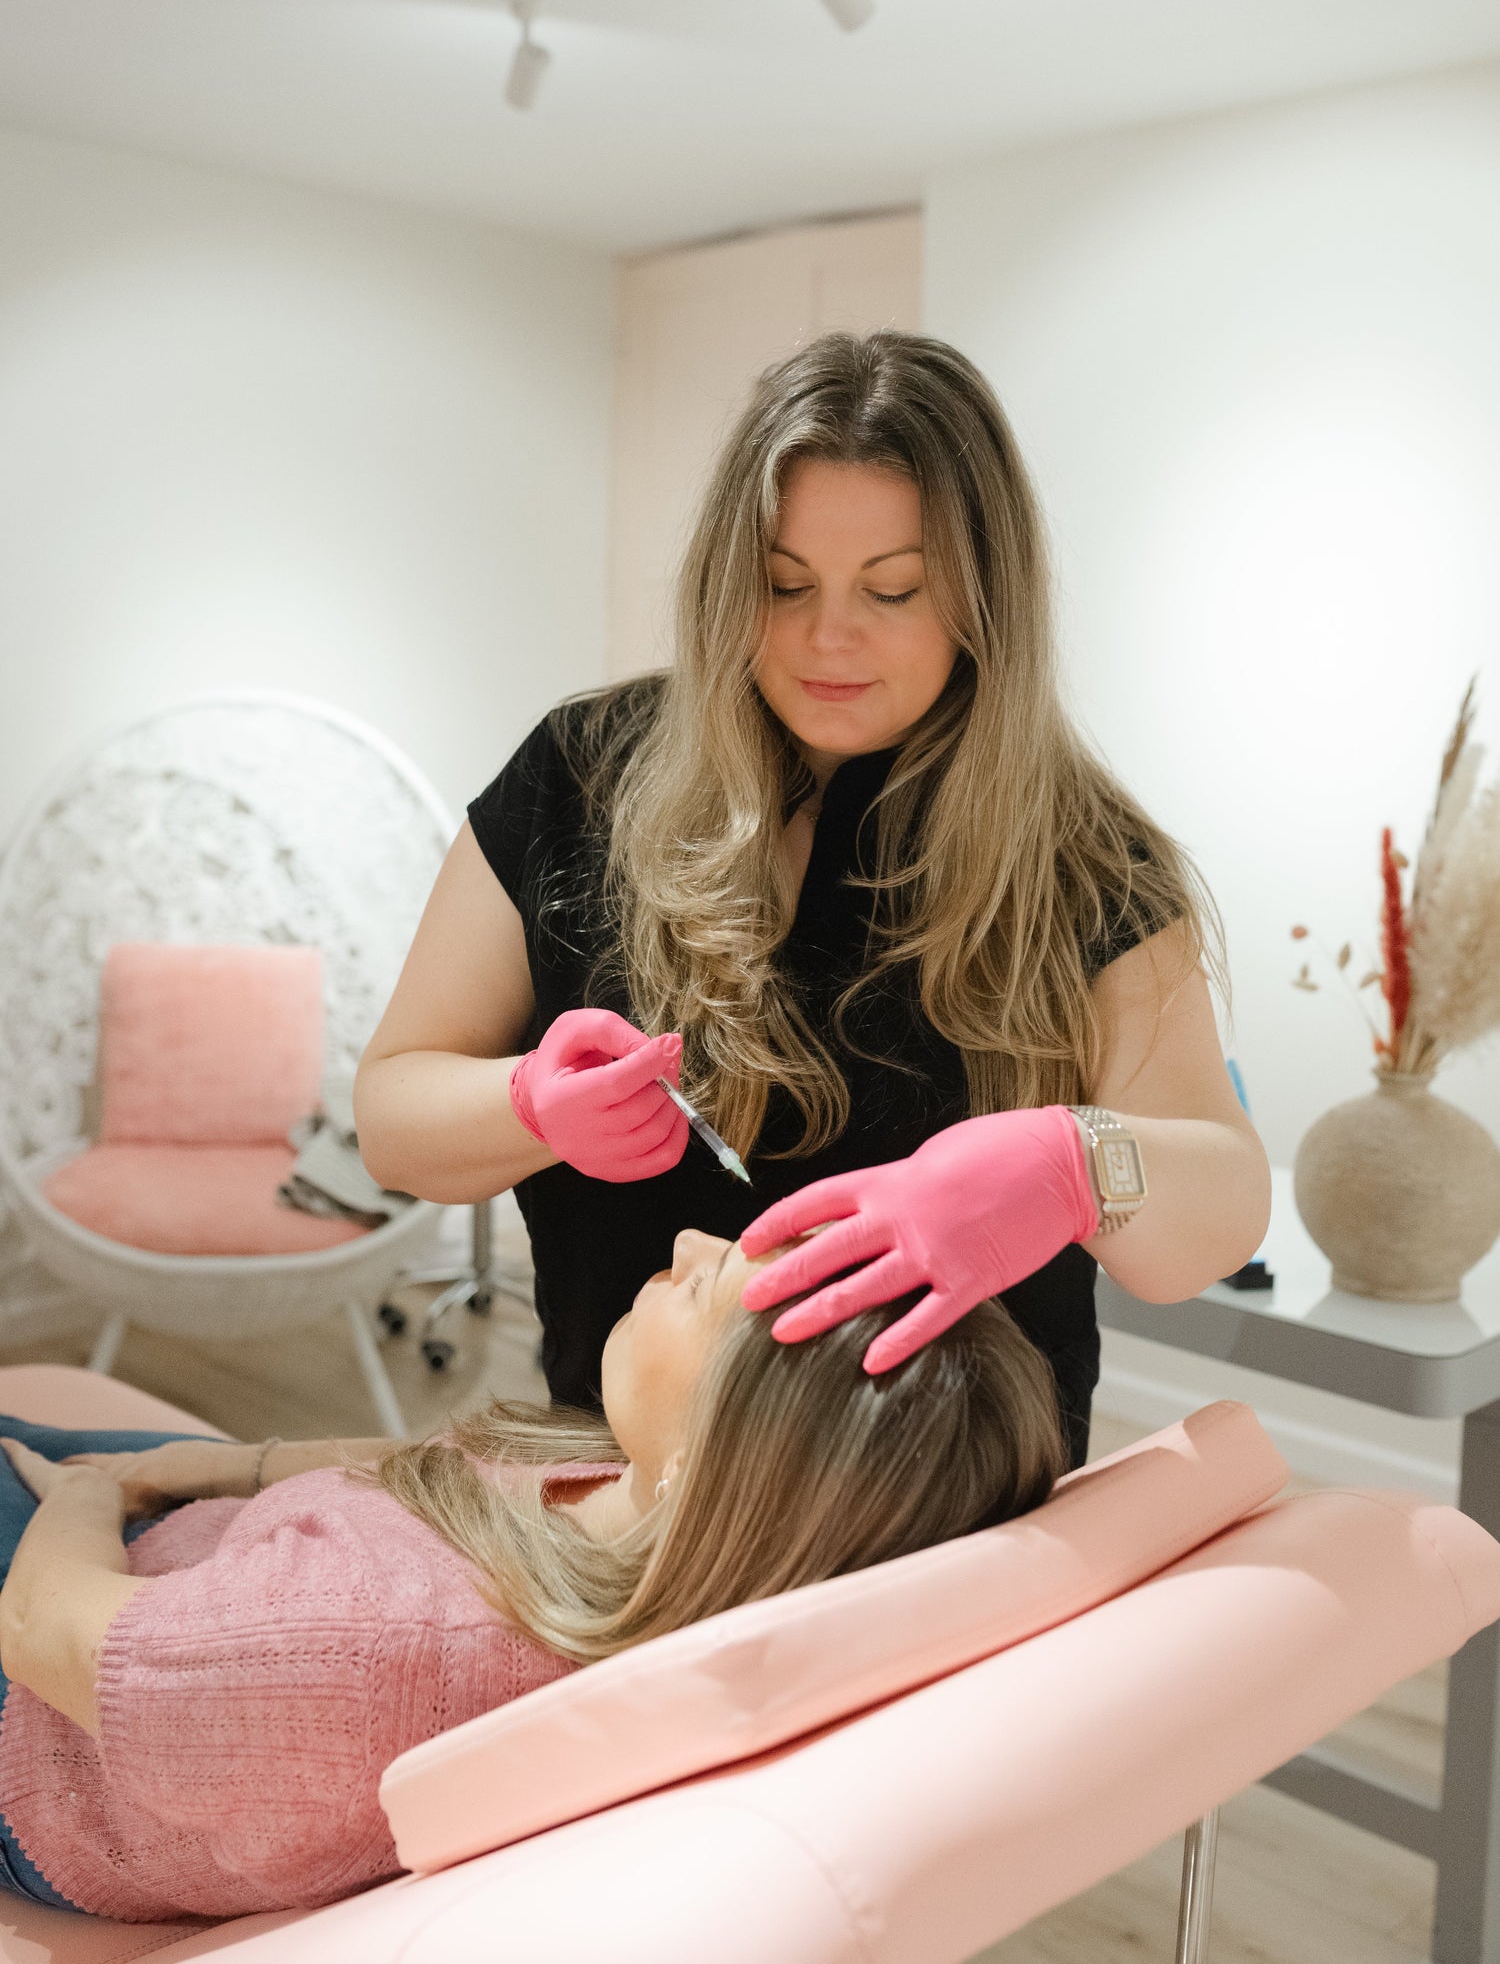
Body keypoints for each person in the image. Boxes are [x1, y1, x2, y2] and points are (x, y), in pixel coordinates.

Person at [355, 329, 1270, 1467]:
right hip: (622, 1510)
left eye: (893, 590)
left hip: (944, 1540)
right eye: (783, 586)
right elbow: (392, 1119)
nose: (828, 636)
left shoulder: (1078, 857)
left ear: (984, 600)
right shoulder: (583, 773)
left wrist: (1074, 1165)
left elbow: (1218, 1213)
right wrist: (528, 1108)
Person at [0, 1228, 1063, 1922]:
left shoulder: (377, 1646)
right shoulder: (637, 1511)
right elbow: (432, 1472)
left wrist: (94, 1496)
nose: (686, 1239)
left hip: (37, 1715)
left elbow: (47, 1632)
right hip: (198, 1553)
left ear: (727, 1460)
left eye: (704, 1291)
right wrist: (225, 1465)